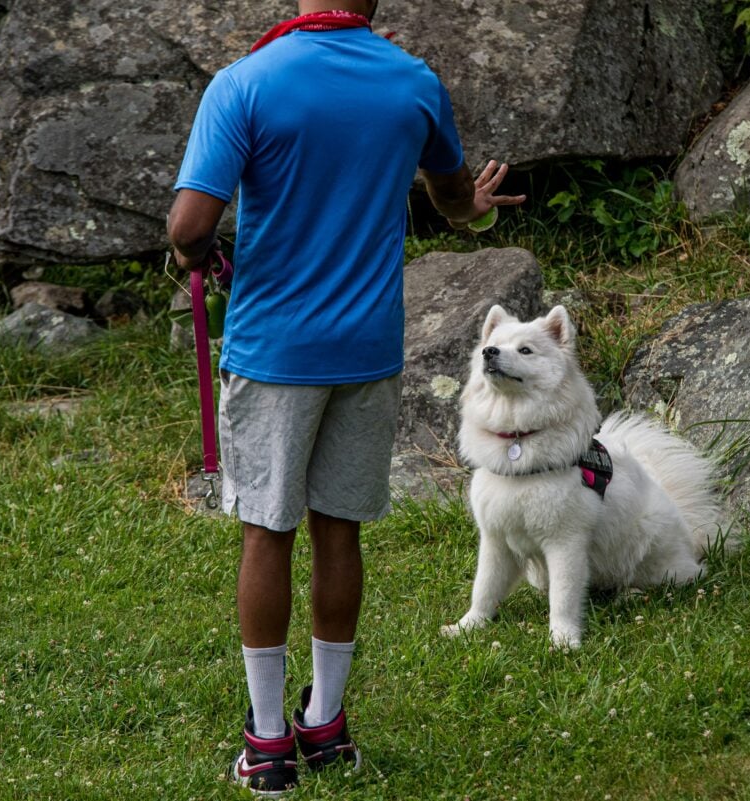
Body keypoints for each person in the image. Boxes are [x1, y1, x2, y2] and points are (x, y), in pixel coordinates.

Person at [166, 0, 525, 794]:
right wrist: (476, 209)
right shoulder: (412, 83)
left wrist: (203, 255)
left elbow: (190, 225)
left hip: (275, 350)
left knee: (268, 532)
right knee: (339, 532)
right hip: (367, 347)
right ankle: (326, 725)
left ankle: (266, 747)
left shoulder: (246, 82)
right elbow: (454, 196)